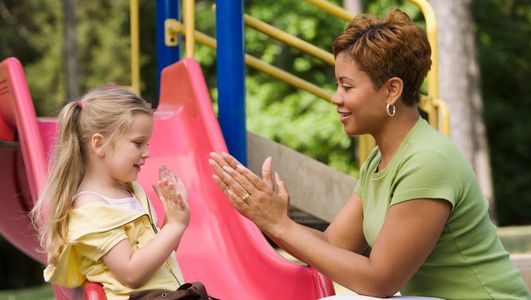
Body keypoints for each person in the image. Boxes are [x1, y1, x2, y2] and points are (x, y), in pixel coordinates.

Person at [208, 8, 530, 300]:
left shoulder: (428, 161)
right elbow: (333, 245)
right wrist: (269, 218)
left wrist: (281, 226)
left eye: (347, 87)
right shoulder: (381, 159)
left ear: (392, 89)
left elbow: (380, 281)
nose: (335, 98)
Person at [30, 86, 190, 300]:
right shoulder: (90, 209)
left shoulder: (130, 193)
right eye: (138, 143)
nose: (147, 153)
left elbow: (162, 255)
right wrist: (176, 225)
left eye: (147, 144)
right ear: (99, 144)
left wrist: (172, 216)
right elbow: (132, 273)